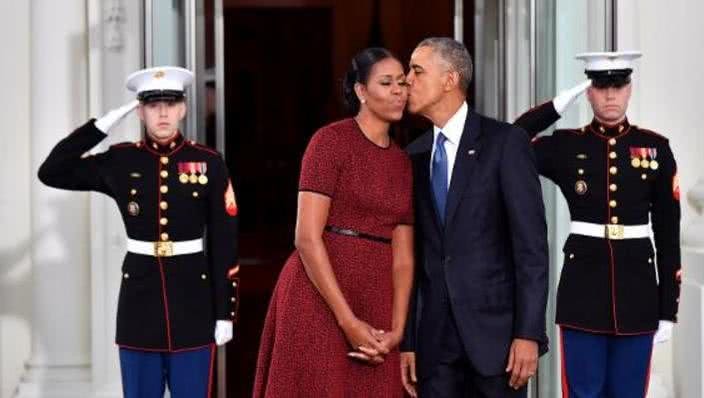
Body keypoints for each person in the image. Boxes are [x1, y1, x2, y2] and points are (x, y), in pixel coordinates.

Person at [38, 66, 239, 398]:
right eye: (152, 104)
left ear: (183, 108)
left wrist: (224, 313)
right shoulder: (121, 160)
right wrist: (103, 124)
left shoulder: (208, 162)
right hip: (139, 307)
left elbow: (223, 241)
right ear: (140, 111)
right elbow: (52, 171)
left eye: (171, 103)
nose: (163, 112)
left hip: (194, 305)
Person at [252, 48, 415, 397]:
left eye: (402, 82)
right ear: (360, 91)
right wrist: (347, 321)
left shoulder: (404, 162)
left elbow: (403, 257)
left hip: (377, 300)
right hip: (318, 296)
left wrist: (398, 328)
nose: (399, 90)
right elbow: (307, 238)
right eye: (386, 83)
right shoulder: (329, 142)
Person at [398, 36, 550, 398]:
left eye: (417, 71)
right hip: (435, 347)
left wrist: (528, 333)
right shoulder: (413, 156)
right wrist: (409, 339)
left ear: (450, 80)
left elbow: (531, 249)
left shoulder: (505, 143)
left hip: (496, 345)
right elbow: (414, 258)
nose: (407, 80)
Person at [525, 52, 681, 397]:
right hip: (583, 293)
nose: (610, 95)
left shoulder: (655, 148)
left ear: (630, 90)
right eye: (600, 86)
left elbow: (669, 235)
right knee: (583, 392)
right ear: (589, 92)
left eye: (618, 85)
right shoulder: (567, 146)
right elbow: (510, 142)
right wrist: (557, 105)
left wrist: (668, 307)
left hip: (638, 294)